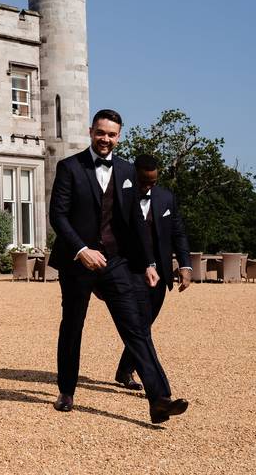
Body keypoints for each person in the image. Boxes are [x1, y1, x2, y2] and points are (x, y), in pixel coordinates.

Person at [48, 109, 189, 424]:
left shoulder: (127, 171)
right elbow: (58, 215)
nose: (105, 139)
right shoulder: (69, 167)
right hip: (77, 261)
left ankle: (159, 399)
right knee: (73, 325)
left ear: (119, 136)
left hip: (116, 261)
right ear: (90, 132)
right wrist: (81, 249)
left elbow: (136, 221)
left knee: (136, 327)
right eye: (101, 133)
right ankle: (66, 390)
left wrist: (149, 262)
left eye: (111, 134)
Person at [112, 153, 192, 390]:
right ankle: (150, 383)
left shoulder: (167, 198)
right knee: (138, 325)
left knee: (144, 324)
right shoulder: (120, 198)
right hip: (130, 270)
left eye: (152, 182)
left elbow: (178, 233)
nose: (148, 187)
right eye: (143, 182)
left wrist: (185, 266)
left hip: (162, 274)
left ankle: (124, 369)